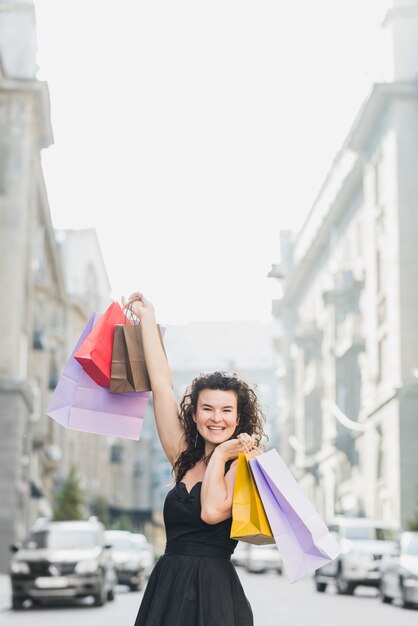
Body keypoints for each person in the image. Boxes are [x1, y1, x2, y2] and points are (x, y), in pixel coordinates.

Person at [125, 292, 267, 626]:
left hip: (214, 594)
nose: (216, 418)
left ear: (238, 417)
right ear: (195, 413)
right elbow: (161, 386)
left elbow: (212, 510)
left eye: (226, 410)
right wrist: (148, 319)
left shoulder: (244, 465)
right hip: (167, 588)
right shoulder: (183, 458)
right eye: (207, 408)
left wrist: (222, 454)